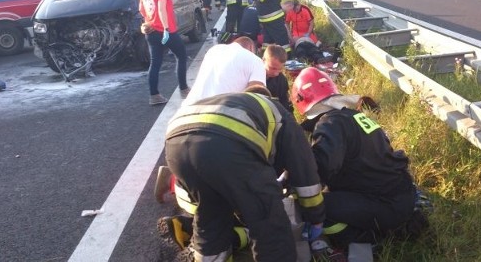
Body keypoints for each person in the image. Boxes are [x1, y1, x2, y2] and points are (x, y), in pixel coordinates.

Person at [164, 89, 326, 261]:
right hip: (224, 146)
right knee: (269, 222)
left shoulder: (242, 105)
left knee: (211, 214)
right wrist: (316, 217)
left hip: (175, 143)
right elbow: (305, 172)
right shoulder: (283, 116)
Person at [291, 67, 423, 250]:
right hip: (400, 195)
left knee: (311, 205)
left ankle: (370, 239)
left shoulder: (330, 123)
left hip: (385, 204)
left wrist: (294, 179)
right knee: (329, 195)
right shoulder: (353, 117)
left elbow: (320, 170)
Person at [139, 0, 191, 105]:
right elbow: (162, 9)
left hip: (151, 31)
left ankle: (154, 95)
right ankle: (184, 88)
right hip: (164, 31)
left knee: (155, 63)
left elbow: (142, 9)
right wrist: (166, 29)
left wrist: (147, 22)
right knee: (181, 56)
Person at [182, 36, 265, 105]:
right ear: (251, 49)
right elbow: (257, 98)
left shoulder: (214, 50)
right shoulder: (255, 60)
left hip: (184, 113)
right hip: (216, 115)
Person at [263, 44, 293, 112]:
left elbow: (285, 105)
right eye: (273, 68)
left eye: (280, 69)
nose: (276, 73)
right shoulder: (253, 77)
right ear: (263, 60)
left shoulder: (282, 80)